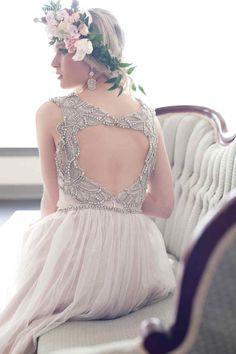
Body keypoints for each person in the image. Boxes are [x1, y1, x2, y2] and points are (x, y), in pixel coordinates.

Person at [0, 1, 176, 353]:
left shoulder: (51, 111)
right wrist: (119, 205)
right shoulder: (147, 115)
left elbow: (52, 203)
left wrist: (49, 255)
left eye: (62, 51)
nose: (53, 63)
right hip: (137, 273)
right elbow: (164, 205)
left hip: (78, 269)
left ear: (90, 55)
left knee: (25, 255)